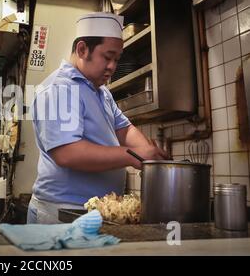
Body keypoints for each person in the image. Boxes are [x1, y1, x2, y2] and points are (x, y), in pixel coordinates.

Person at [27, 12, 169, 224]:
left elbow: (124, 129)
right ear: (82, 49)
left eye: (117, 59)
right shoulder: (60, 89)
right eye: (107, 57)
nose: (113, 67)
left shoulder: (101, 92)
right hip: (63, 213)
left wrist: (150, 159)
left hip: (95, 212)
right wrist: (133, 155)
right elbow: (68, 153)